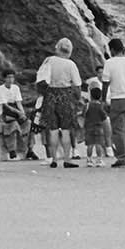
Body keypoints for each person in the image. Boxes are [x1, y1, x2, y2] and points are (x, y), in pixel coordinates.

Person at [36, 38, 82, 168]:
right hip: (66, 96)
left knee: (53, 130)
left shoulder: (49, 61)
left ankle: (54, 159)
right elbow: (77, 85)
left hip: (50, 95)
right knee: (66, 130)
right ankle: (67, 159)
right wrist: (77, 98)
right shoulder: (70, 64)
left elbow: (40, 78)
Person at [100, 38, 125, 168]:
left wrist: (103, 100)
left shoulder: (109, 63)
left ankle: (122, 157)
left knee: (119, 130)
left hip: (117, 99)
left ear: (112, 49)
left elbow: (105, 82)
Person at [0, 67, 30, 161]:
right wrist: (18, 112)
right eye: (8, 77)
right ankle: (12, 149)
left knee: (27, 123)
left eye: (12, 77)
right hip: (5, 110)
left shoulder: (16, 88)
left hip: (15, 109)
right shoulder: (0, 89)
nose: (11, 80)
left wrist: (22, 113)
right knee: (13, 124)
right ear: (4, 78)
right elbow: (5, 105)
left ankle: (28, 148)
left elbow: (18, 103)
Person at [82, 85, 110, 166]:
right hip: (99, 127)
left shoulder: (87, 105)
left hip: (88, 127)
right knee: (98, 144)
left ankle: (89, 159)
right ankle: (99, 160)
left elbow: (84, 114)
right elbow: (104, 116)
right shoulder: (101, 106)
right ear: (100, 96)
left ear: (91, 95)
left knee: (90, 145)